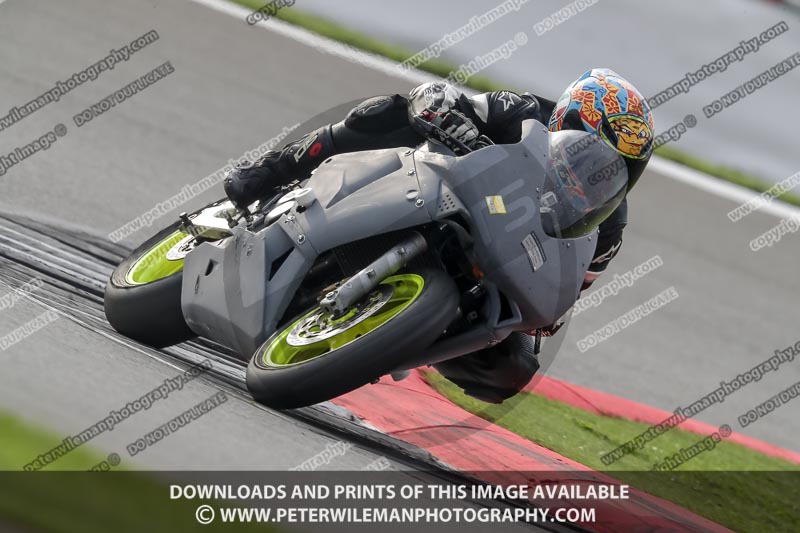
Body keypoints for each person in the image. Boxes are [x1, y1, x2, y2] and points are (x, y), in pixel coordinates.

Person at [224, 68, 655, 403]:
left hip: (499, 262)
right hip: (435, 189)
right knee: (386, 111)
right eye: (593, 154)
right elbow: (433, 96)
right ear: (567, 120)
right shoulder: (521, 111)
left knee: (513, 369)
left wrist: (542, 310)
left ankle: (390, 338)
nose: (599, 173)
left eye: (619, 168)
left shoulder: (608, 227)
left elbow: (561, 296)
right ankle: (278, 166)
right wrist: (452, 122)